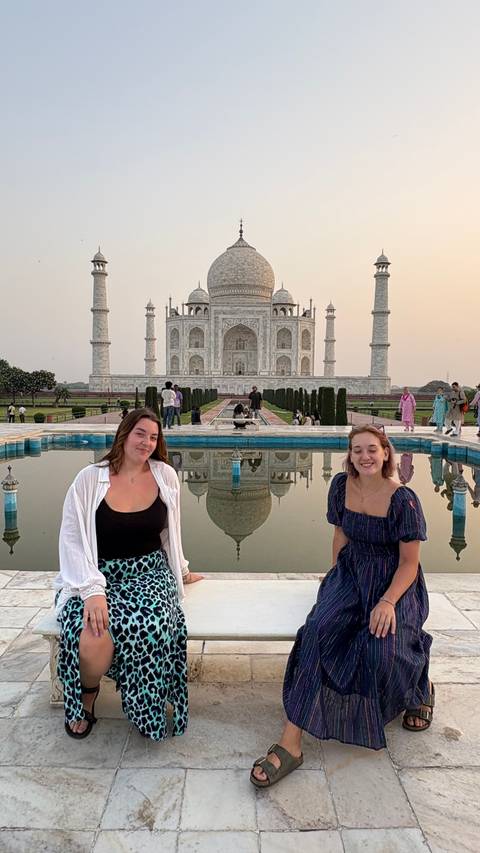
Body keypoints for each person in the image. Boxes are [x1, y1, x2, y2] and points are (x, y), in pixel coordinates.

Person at [250, 425, 433, 788]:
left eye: (371, 449)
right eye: (357, 450)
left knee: (382, 649)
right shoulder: (339, 487)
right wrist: (335, 578)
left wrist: (387, 601)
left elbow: (409, 563)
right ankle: (291, 741)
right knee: (317, 633)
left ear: (385, 453)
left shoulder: (404, 500)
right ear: (349, 455)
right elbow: (340, 535)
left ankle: (420, 687)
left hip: (394, 584)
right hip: (351, 575)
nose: (365, 456)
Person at [54, 408, 202, 741]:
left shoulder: (165, 475)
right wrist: (93, 590)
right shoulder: (90, 478)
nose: (147, 442)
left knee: (151, 625)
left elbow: (170, 532)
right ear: (124, 434)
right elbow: (72, 537)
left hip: (149, 572)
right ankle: (87, 695)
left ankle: (143, 703)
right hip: (94, 574)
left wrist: (182, 570)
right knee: (92, 635)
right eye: (140, 434)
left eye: (153, 437)